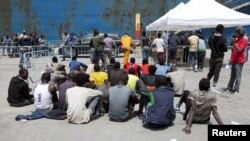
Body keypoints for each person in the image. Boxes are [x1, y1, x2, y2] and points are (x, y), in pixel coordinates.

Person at [224, 27, 248, 94]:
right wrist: (231, 59)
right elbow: (234, 51)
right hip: (234, 60)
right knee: (232, 75)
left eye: (236, 32)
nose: (235, 33)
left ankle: (236, 89)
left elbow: (239, 50)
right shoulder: (237, 40)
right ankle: (229, 87)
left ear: (240, 33)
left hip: (239, 61)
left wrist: (233, 43)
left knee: (238, 75)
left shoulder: (244, 40)